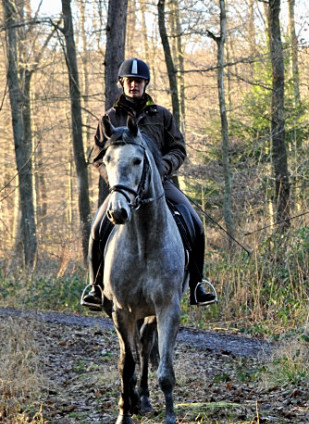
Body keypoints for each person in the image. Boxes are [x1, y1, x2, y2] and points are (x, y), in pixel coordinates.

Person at [82, 58, 217, 310]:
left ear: (145, 84)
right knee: (97, 229)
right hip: (122, 189)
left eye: (139, 81)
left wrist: (163, 167)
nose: (134, 85)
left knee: (195, 224)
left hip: (160, 186)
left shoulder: (162, 116)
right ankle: (95, 287)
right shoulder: (110, 118)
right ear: (122, 83)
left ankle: (197, 285)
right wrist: (115, 180)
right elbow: (97, 158)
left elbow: (178, 149)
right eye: (130, 81)